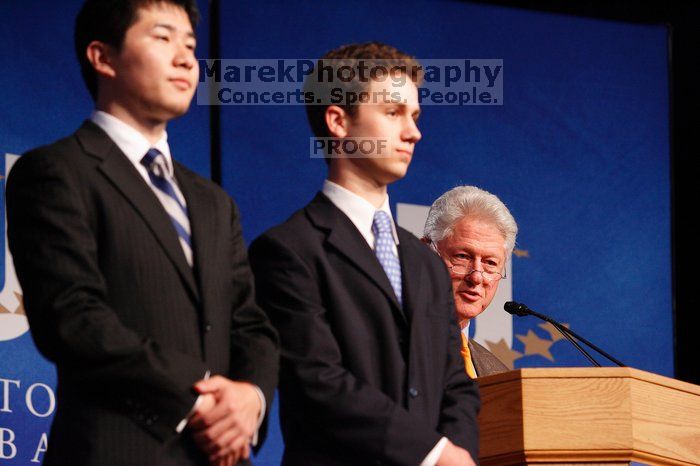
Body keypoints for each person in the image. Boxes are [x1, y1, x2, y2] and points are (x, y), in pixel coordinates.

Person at [5, 1, 278, 464]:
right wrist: (200, 401)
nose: (186, 58)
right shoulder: (57, 171)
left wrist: (251, 398)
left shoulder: (213, 201)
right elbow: (73, 318)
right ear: (102, 57)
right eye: (162, 37)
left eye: (190, 44)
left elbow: (249, 323)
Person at [248, 42, 480, 466]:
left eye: (414, 116)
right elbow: (319, 381)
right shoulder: (288, 250)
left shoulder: (426, 263)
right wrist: (433, 453)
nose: (413, 132)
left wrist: (459, 453)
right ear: (338, 121)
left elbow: (455, 383)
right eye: (393, 113)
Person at [423, 186, 517, 377]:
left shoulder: (497, 373)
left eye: (490, 263)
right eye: (463, 257)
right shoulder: (383, 343)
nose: (477, 277)